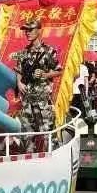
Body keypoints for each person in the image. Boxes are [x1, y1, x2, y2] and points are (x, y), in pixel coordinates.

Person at [13, 19, 62, 151]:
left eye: (30, 30)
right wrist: (19, 82)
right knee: (27, 135)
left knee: (48, 134)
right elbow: (18, 70)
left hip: (42, 100)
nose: (27, 33)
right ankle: (30, 162)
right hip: (27, 100)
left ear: (38, 31)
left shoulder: (48, 51)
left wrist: (45, 75)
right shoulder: (23, 52)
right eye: (26, 31)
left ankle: (55, 159)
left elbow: (58, 70)